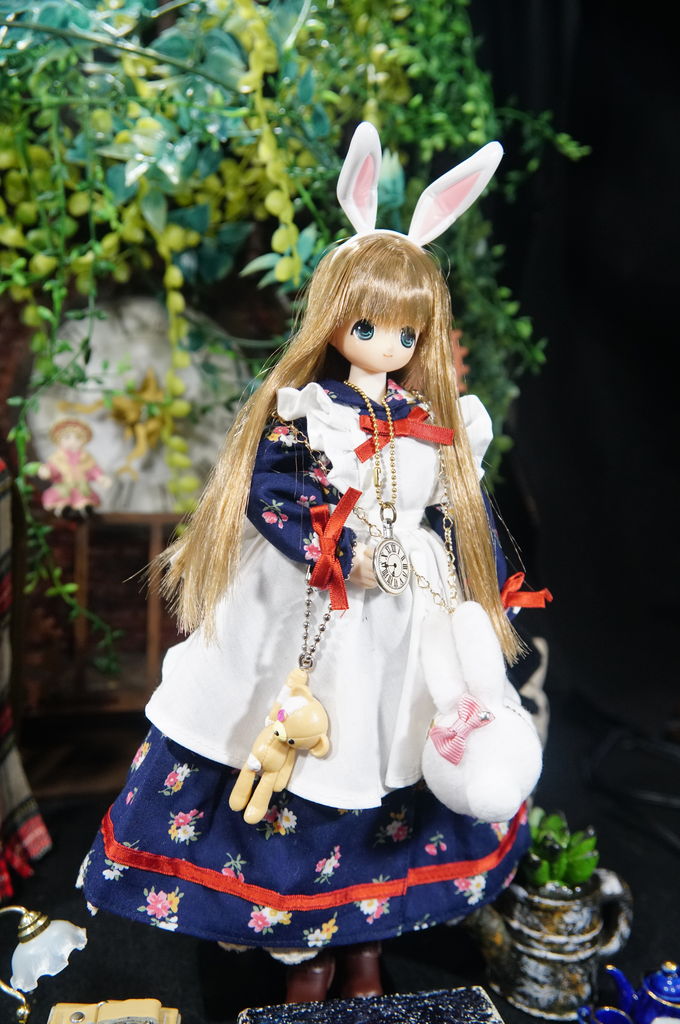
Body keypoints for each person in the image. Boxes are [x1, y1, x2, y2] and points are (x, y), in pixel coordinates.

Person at [78, 123, 542, 1002]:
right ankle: (304, 951)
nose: (386, 345)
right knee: (299, 756)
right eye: (368, 326)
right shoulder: (309, 412)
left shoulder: (436, 423)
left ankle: (366, 944)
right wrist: (337, 549)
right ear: (336, 319)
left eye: (405, 333)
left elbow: (463, 508)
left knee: (396, 758)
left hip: (408, 615)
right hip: (316, 608)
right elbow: (273, 496)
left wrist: (485, 588)